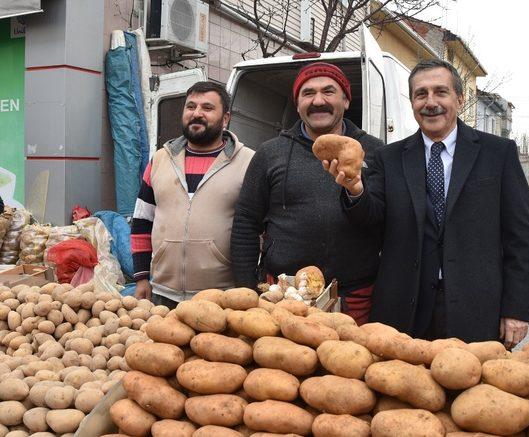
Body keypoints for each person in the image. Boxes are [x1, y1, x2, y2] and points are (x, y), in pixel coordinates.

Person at [323, 59, 529, 348]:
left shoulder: (498, 154)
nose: (430, 102)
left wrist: (516, 310)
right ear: (411, 102)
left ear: (460, 99)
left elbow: (520, 238)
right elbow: (371, 220)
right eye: (421, 94)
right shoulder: (390, 158)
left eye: (441, 92)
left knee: (469, 390)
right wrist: (356, 190)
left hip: (476, 308)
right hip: (403, 309)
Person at [231, 62, 384, 324]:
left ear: (346, 100)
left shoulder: (373, 150)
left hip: (354, 296)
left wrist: (356, 192)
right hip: (285, 294)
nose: (318, 101)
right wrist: (247, 289)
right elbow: (246, 221)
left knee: (350, 363)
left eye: (329, 91)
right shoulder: (270, 152)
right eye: (308, 93)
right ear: (298, 103)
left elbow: (382, 220)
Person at [131, 81, 255, 308]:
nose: (196, 114)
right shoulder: (160, 160)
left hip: (222, 295)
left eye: (207, 108)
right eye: (191, 107)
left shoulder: (248, 162)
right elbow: (142, 220)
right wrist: (141, 277)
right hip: (162, 293)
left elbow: (259, 230)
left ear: (225, 118)